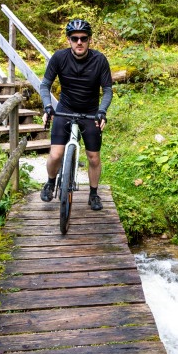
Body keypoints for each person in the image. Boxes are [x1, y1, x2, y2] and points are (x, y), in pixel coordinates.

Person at [39, 19, 113, 211]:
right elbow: (45, 85)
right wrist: (48, 107)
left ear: (89, 40)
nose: (79, 42)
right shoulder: (59, 57)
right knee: (55, 154)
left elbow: (107, 90)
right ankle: (50, 182)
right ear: (69, 40)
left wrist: (101, 112)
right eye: (75, 38)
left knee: (93, 157)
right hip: (65, 109)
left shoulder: (99, 60)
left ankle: (94, 194)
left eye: (83, 38)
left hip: (89, 112)